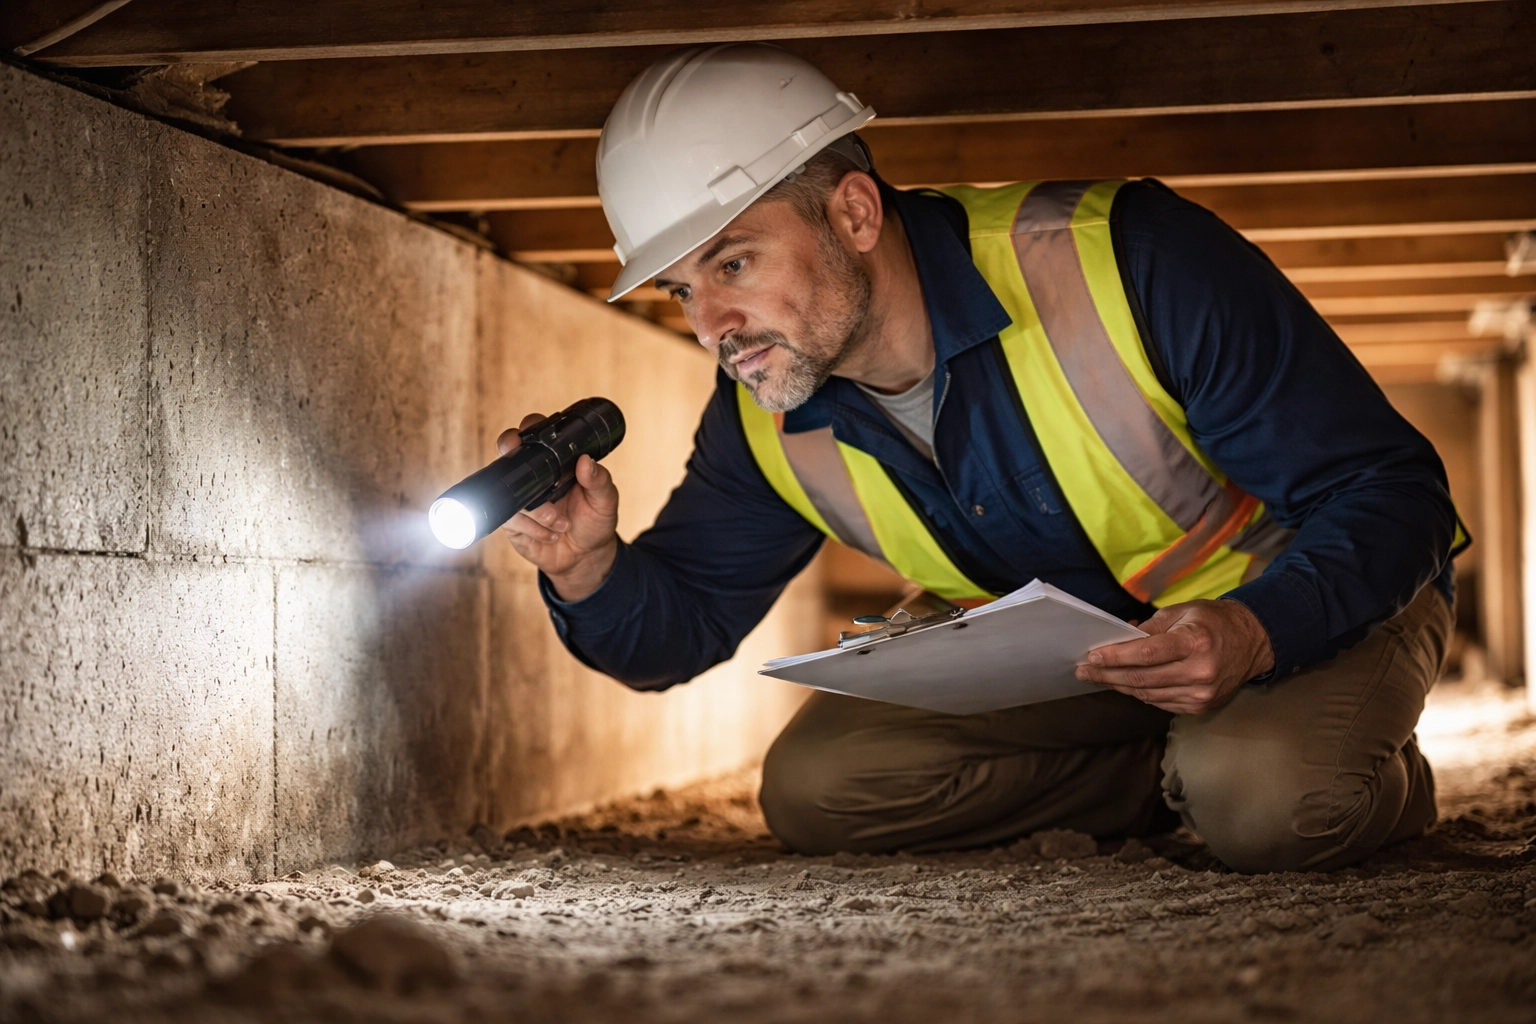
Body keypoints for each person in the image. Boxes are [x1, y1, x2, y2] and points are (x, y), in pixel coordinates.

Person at [495, 44, 1465, 873]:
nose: (711, 324)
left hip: (1298, 611)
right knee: (819, 788)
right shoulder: (763, 407)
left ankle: (1307, 766)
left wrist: (1258, 629)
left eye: (734, 263)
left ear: (855, 214)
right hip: (1088, 671)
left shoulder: (1127, 260)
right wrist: (588, 566)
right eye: (678, 291)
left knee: (1271, 801)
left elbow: (1393, 492)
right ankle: (1183, 772)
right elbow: (678, 629)